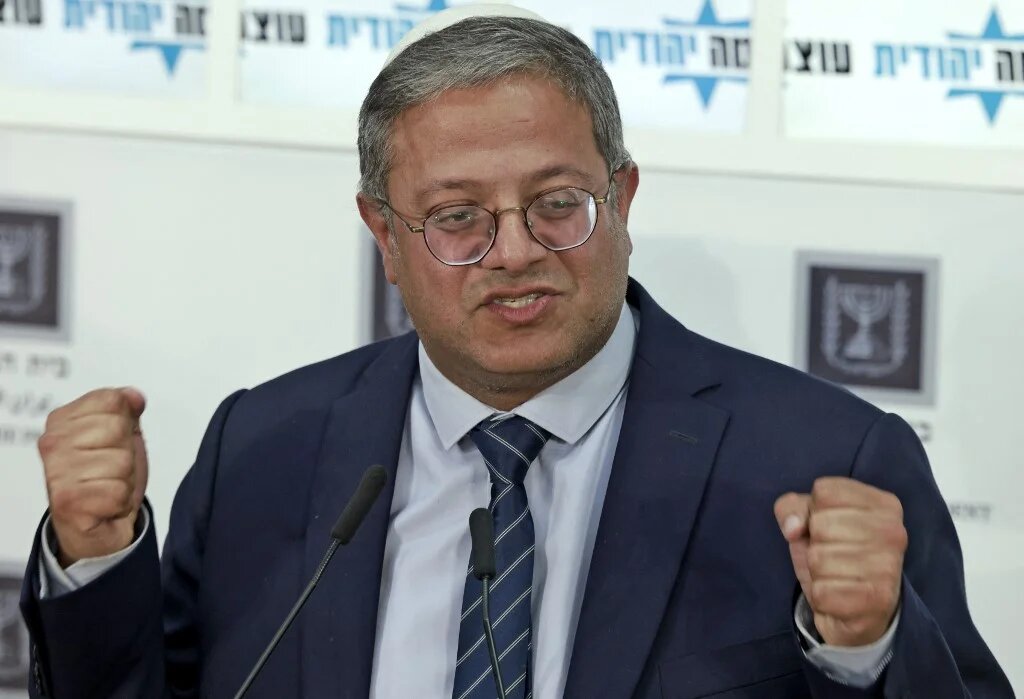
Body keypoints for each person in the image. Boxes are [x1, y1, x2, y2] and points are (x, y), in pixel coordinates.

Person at [19, 5, 1014, 699]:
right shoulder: (265, 450)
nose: (515, 253)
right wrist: (97, 563)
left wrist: (864, 652)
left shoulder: (823, 460)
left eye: (555, 205)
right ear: (384, 236)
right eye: (457, 217)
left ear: (621, 201)